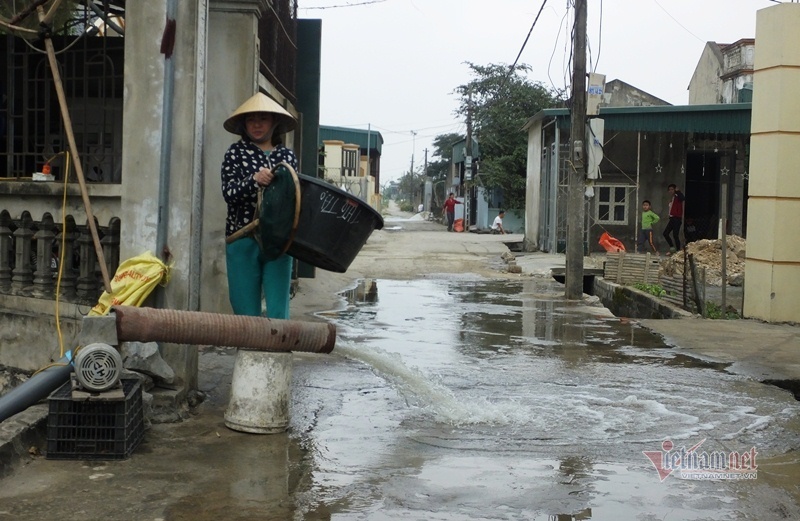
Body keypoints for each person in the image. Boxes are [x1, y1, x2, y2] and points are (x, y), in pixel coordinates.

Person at [221, 92, 298, 319]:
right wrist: (254, 179)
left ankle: (279, 351)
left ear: (274, 122)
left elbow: (295, 195)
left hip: (278, 239)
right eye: (251, 119)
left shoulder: (287, 156)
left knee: (278, 310)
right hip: (241, 238)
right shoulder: (235, 153)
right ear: (244, 124)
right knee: (245, 312)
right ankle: (247, 353)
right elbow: (229, 193)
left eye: (263, 119)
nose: (256, 124)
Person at [663, 183, 685, 253]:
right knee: (665, 233)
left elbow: (683, 198)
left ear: (675, 189)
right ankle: (672, 247)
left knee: (675, 235)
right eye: (669, 190)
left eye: (672, 189)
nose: (671, 191)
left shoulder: (677, 196)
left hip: (677, 218)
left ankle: (678, 250)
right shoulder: (672, 198)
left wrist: (678, 191)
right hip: (672, 218)